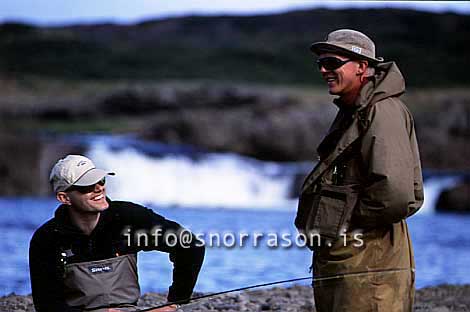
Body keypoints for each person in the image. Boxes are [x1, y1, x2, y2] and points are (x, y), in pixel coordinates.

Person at [295, 29, 424, 312]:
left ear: (362, 66)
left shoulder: (382, 112)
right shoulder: (354, 110)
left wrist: (346, 225)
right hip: (351, 259)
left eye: (332, 63)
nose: (324, 71)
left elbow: (397, 195)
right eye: (321, 64)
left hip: (370, 262)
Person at [29, 154, 205, 312]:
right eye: (87, 186)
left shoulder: (128, 218)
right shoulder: (46, 239)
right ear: (64, 198)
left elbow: (190, 245)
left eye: (101, 181)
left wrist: (174, 303)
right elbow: (47, 306)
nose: (99, 188)